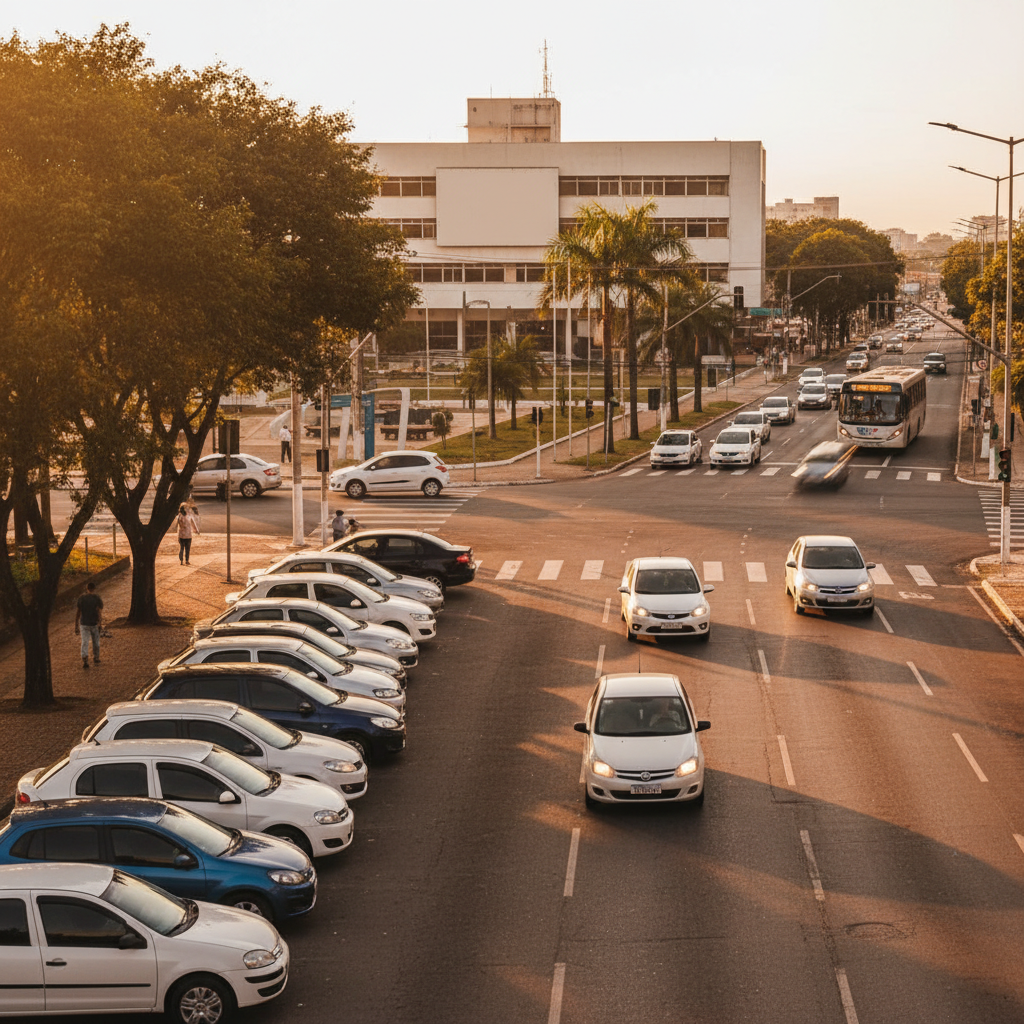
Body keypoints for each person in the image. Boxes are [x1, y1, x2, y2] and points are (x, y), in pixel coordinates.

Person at [75, 581, 103, 669]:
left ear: (87, 589)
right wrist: (100, 623)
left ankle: (85, 659)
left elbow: (78, 612)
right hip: (94, 623)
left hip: (84, 623)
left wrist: (76, 625)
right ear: (94, 589)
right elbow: (99, 611)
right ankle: (96, 657)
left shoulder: (81, 598)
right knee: (96, 642)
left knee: (85, 642)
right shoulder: (97, 598)